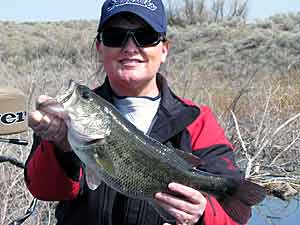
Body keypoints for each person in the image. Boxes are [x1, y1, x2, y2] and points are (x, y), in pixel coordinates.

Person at [25, 1, 253, 225]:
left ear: (163, 49)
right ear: (99, 47)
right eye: (115, 36)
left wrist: (202, 213)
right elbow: (43, 190)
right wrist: (62, 149)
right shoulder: (67, 120)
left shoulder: (197, 120)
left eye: (145, 36)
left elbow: (234, 217)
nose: (130, 47)